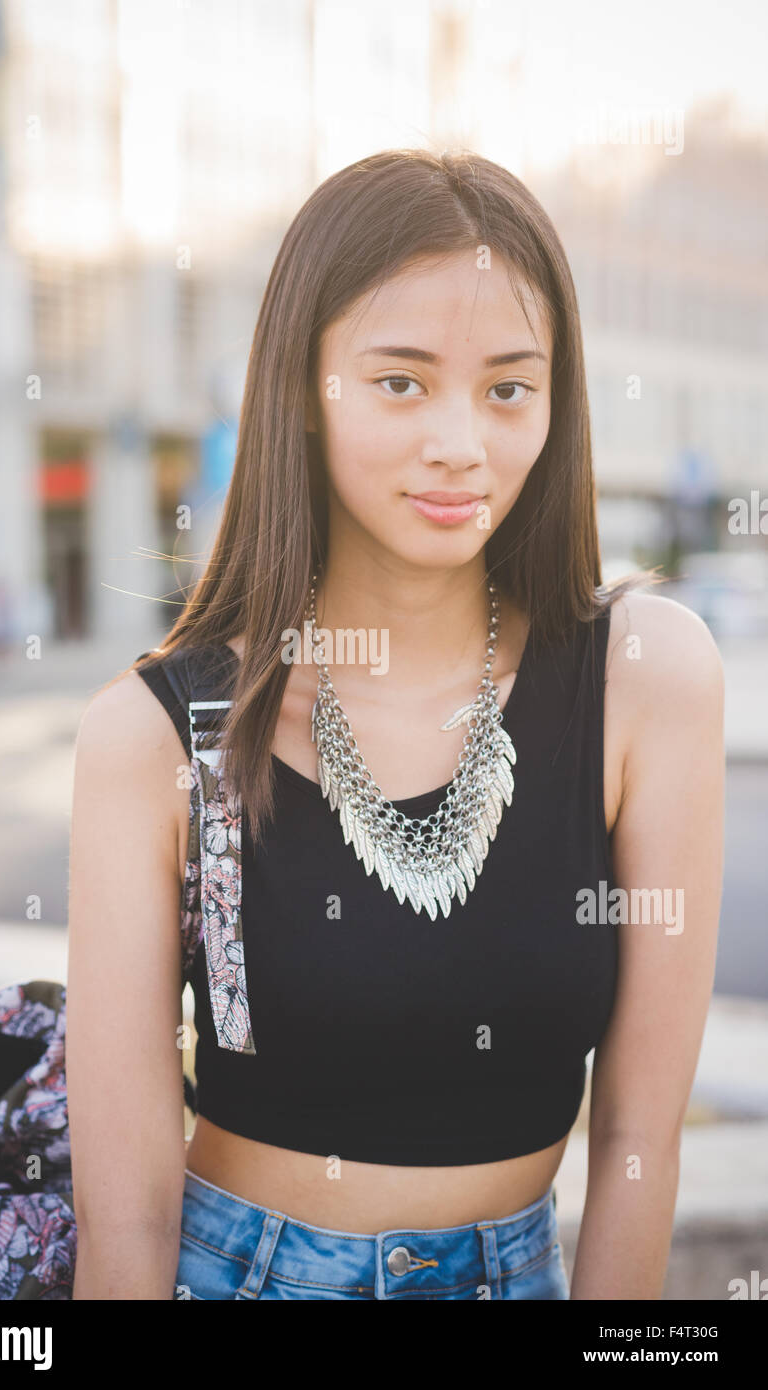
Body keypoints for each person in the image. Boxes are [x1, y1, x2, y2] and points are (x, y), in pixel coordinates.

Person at [67, 149, 725, 1300]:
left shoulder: (646, 677)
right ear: (302, 394)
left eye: (509, 387)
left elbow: (637, 1136)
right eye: (402, 381)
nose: (462, 443)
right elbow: (125, 1213)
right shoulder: (155, 738)